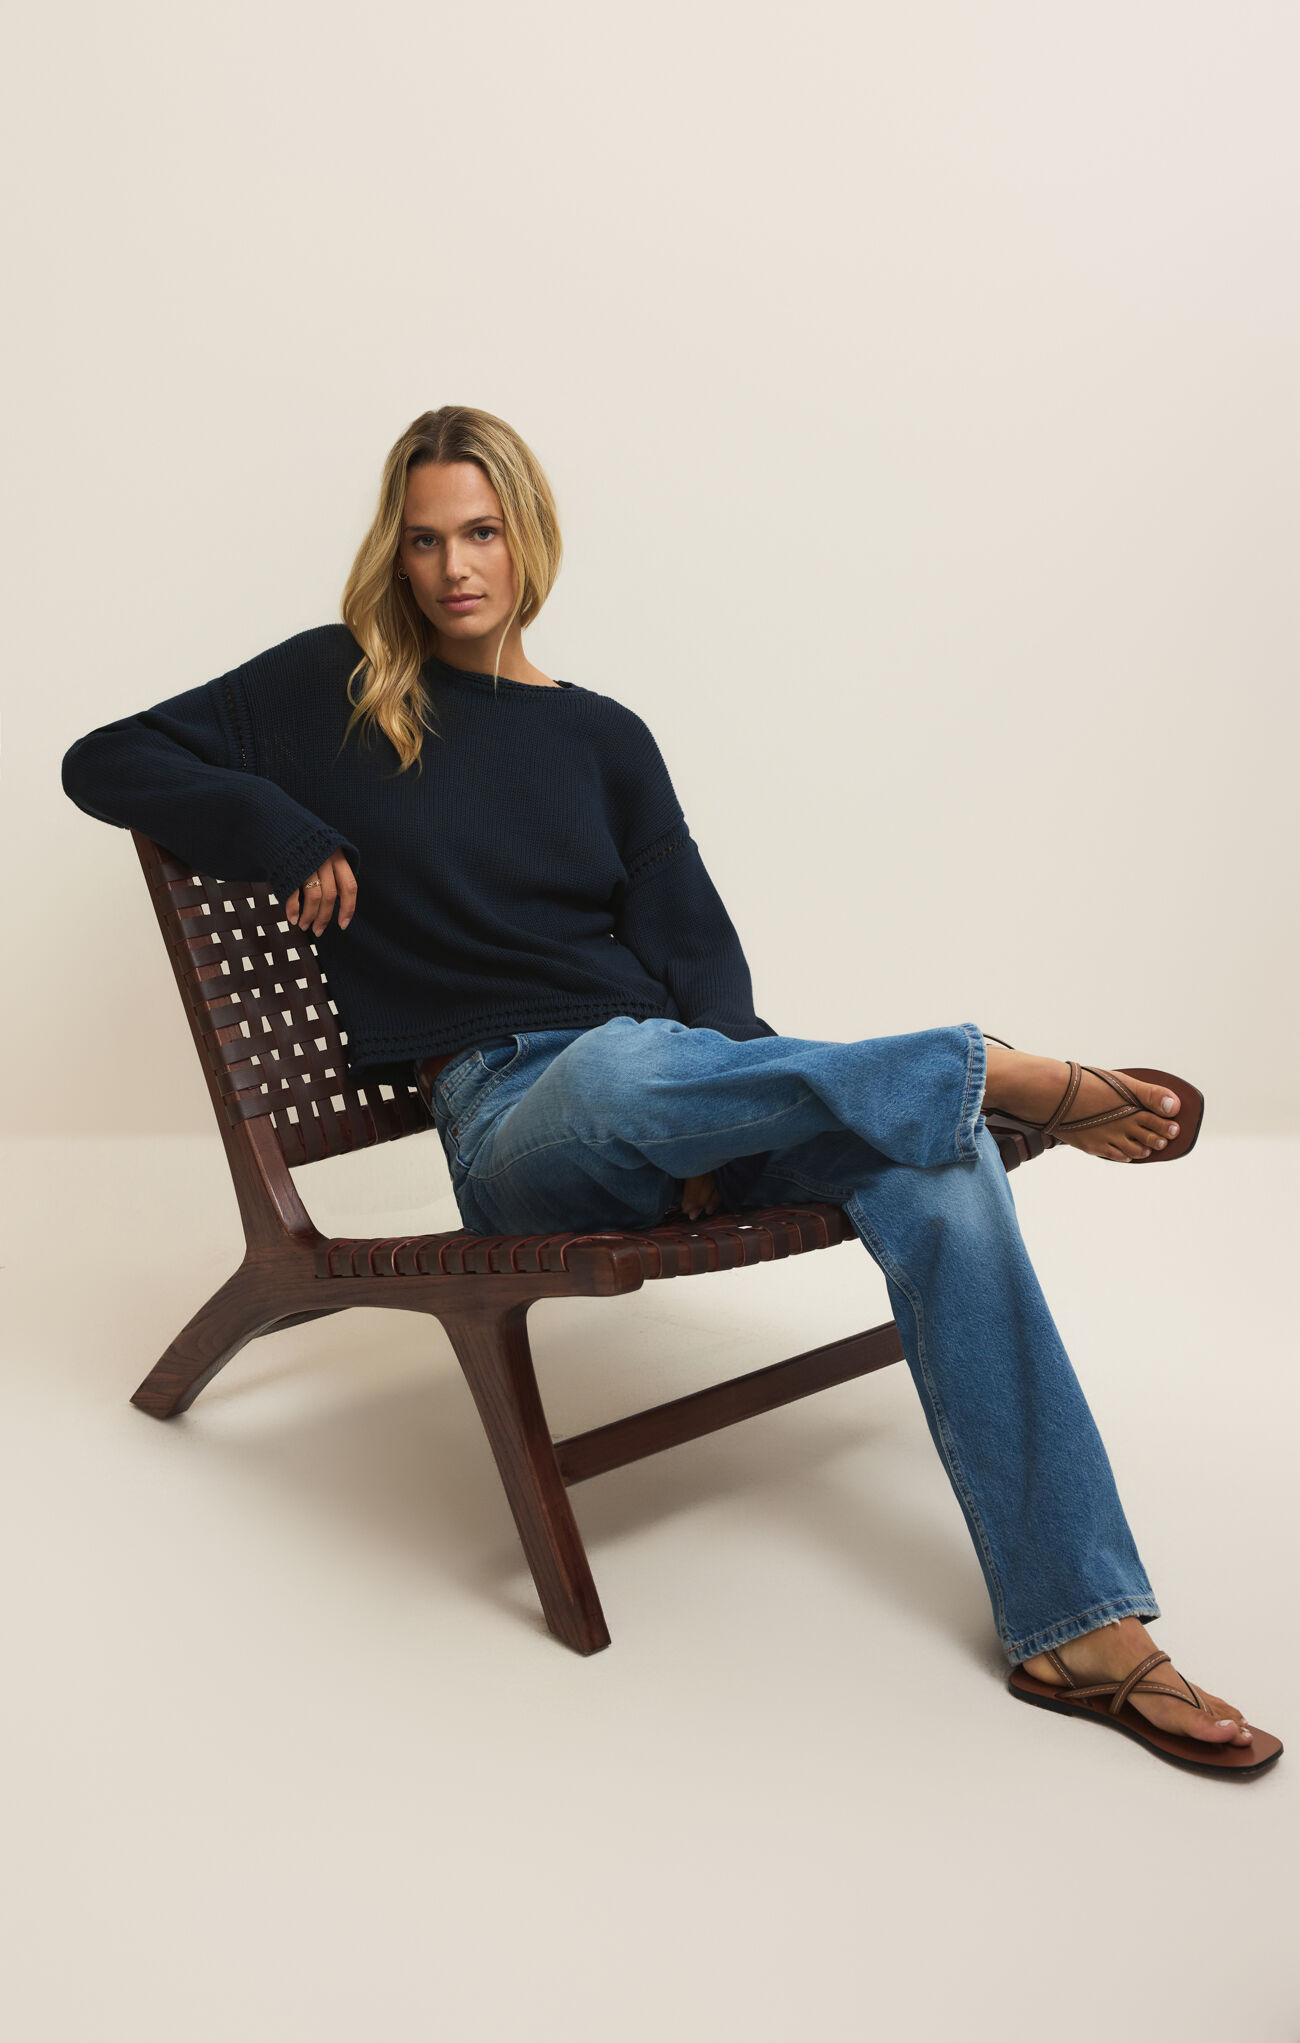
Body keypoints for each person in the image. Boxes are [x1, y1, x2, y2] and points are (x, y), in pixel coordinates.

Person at [61, 405, 1280, 1777]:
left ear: (530, 537)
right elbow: (105, 758)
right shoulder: (331, 685)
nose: (455, 567)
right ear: (392, 554)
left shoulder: (606, 738)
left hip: (686, 1087)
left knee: (940, 1167)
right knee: (626, 1063)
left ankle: (1083, 1627)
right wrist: (277, 822)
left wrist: (724, 1121)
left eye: (482, 532)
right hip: (519, 1117)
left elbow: (698, 959)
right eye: (425, 541)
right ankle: (979, 1069)